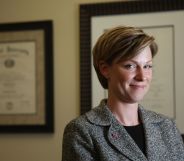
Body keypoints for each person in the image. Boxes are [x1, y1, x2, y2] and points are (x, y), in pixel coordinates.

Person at [62, 26, 184, 161]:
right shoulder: (81, 131)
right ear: (105, 69)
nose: (142, 76)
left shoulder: (167, 126)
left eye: (147, 66)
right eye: (130, 66)